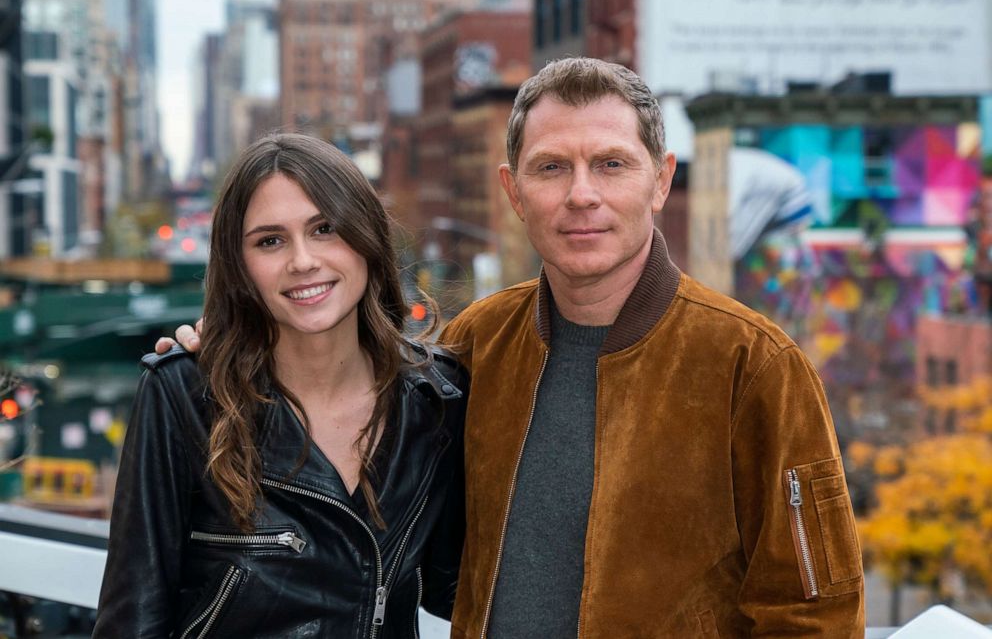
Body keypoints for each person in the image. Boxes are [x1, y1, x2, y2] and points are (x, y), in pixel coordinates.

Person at [168, 58, 865, 637]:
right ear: (513, 191)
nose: (581, 195)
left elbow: (816, 613)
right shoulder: (475, 347)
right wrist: (227, 353)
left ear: (661, 180)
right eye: (552, 167)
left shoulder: (754, 365)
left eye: (612, 164)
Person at [96, 133, 466, 638]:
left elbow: (461, 589)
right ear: (239, 264)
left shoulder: (437, 399)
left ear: (367, 238)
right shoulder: (183, 394)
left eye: (324, 229)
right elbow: (130, 621)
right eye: (270, 240)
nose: (302, 261)